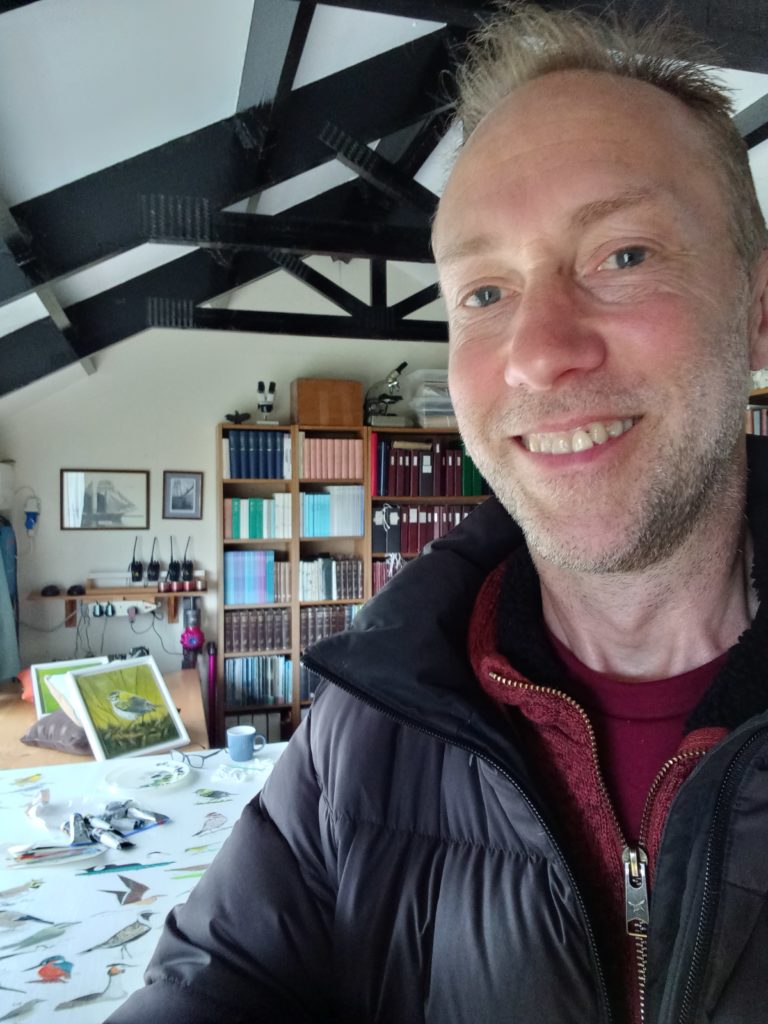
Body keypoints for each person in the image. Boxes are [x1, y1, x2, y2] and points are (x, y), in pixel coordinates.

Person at [107, 4, 768, 1023]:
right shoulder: (368, 715)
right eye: (484, 292)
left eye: (622, 255)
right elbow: (222, 980)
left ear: (758, 308)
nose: (538, 352)